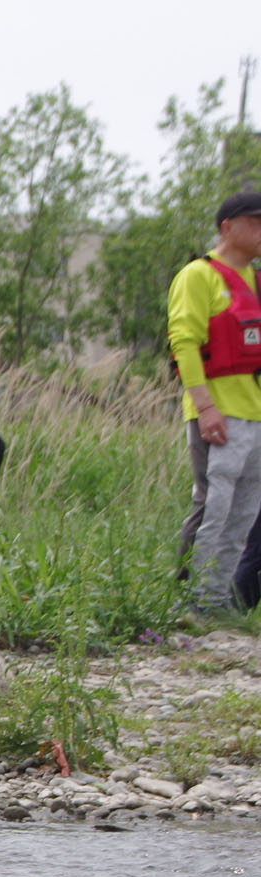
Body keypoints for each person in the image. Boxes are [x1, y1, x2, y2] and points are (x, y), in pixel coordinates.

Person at [169, 191, 261, 609]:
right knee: (214, 508)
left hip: (255, 414)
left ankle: (218, 599)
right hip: (218, 414)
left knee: (243, 515)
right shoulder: (198, 275)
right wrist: (205, 406)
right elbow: (184, 343)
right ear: (229, 226)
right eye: (256, 222)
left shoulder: (256, 280)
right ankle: (193, 597)